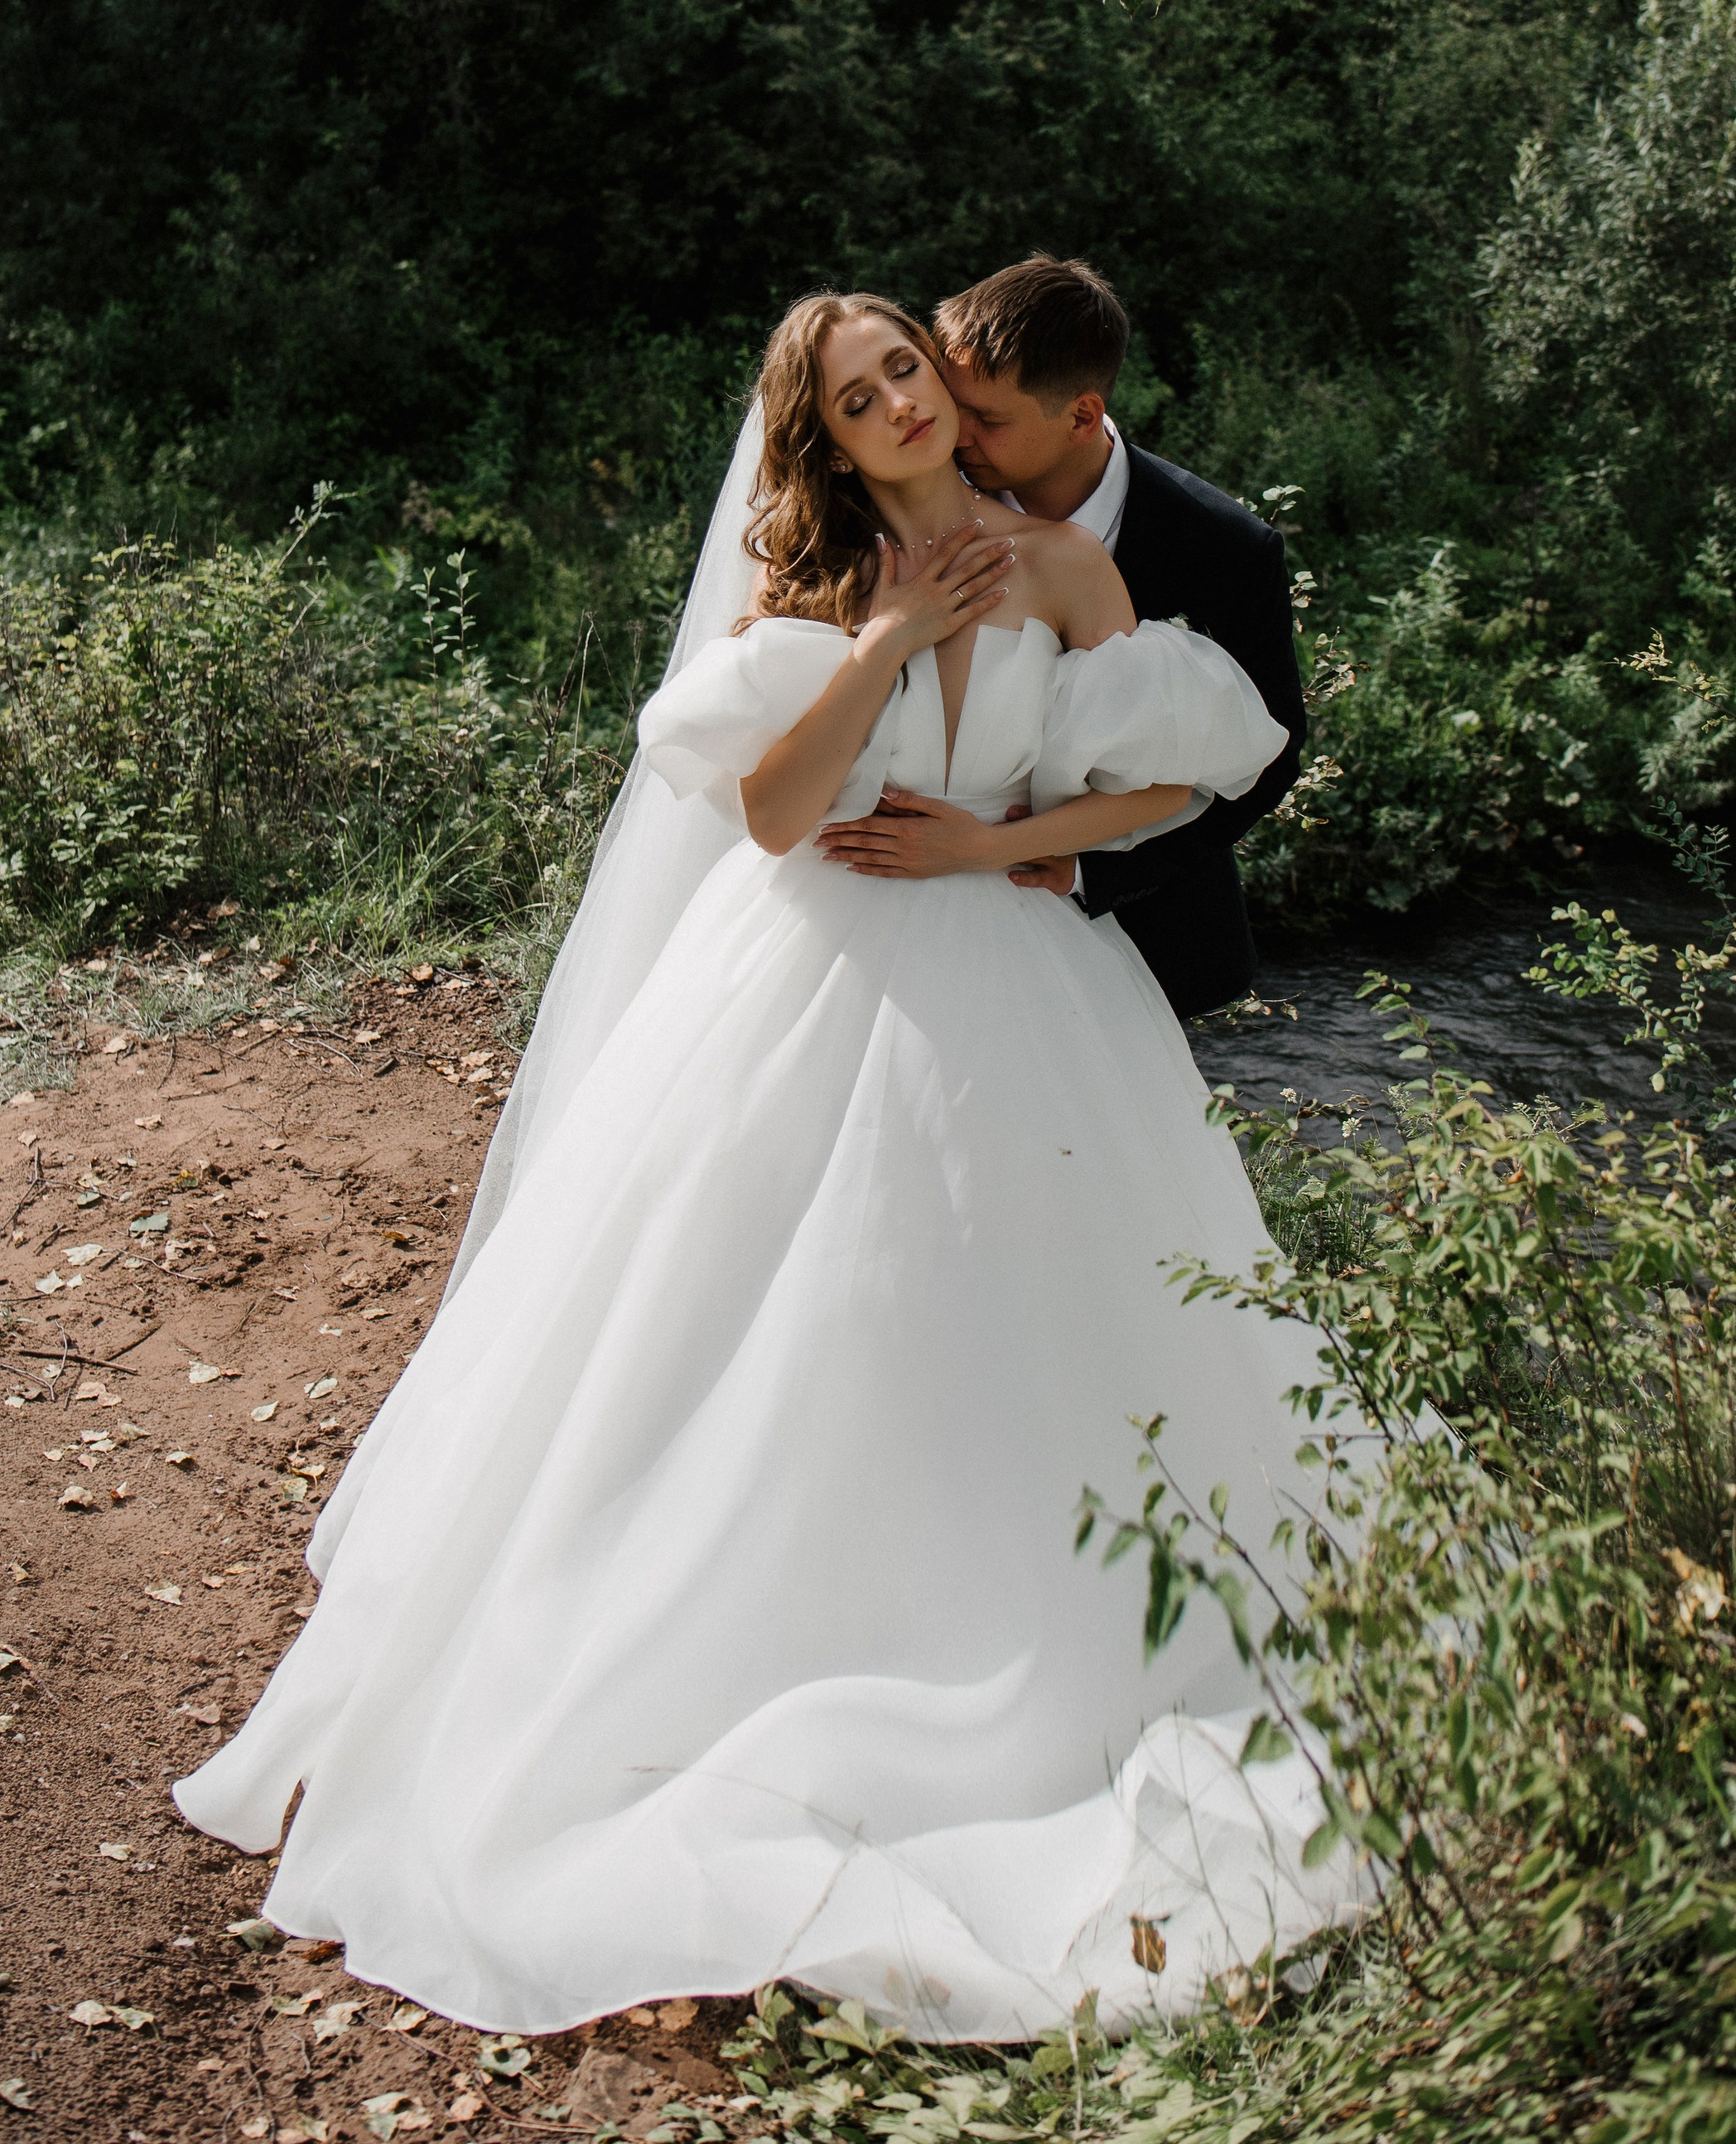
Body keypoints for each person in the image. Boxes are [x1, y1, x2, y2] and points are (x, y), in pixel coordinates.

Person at [171, 292, 1357, 2043]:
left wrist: (994, 844)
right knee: (770, 1307)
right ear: (820, 430)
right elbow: (771, 815)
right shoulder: (810, 592)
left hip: (1021, 978)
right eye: (857, 389)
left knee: (1034, 1315)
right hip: (804, 976)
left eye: (906, 369)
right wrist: (882, 643)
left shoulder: (1062, 570)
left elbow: (1160, 790)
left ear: (949, 393)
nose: (895, 401)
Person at [817, 259, 1300, 1018]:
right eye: (954, 397)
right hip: (914, 935)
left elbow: (1267, 755)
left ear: (1080, 416)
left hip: (1146, 921)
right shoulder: (911, 521)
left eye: (989, 420)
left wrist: (1082, 869)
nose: (952, 428)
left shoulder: (1225, 550)